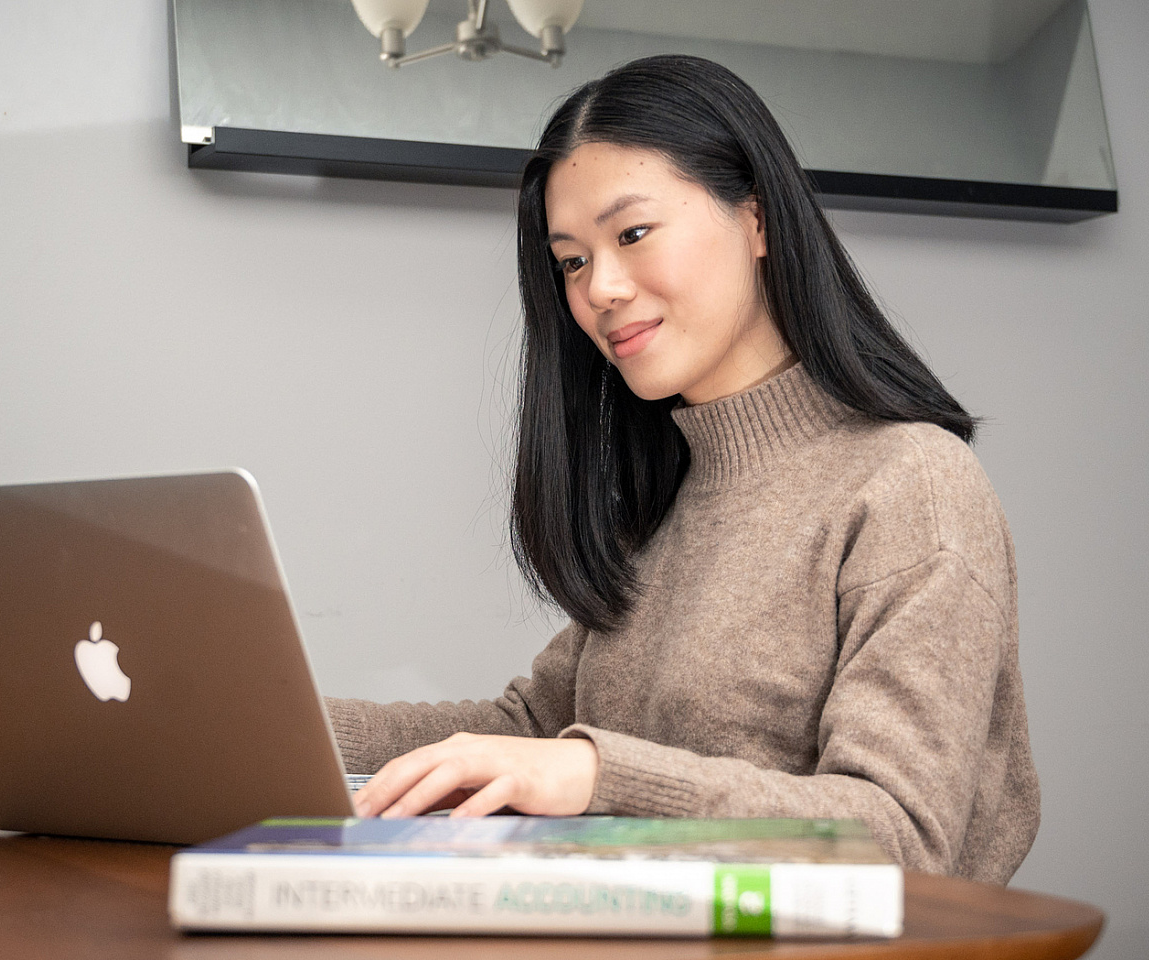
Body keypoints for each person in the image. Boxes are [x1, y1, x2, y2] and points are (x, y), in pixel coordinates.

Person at [327, 53, 1038, 884]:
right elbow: (527, 732)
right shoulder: (667, 502)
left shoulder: (912, 484)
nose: (602, 289)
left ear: (758, 218)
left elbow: (901, 839)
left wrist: (601, 777)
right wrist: (259, 717)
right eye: (572, 260)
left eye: (631, 234)